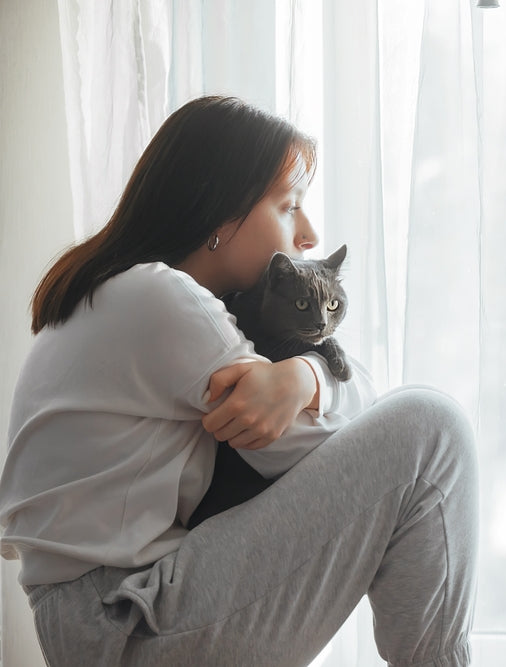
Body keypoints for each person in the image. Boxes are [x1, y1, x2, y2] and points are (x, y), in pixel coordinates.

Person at [0, 95, 478, 666]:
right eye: (289, 205)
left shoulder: (117, 291)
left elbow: (347, 425)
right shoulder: (162, 298)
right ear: (222, 213)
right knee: (432, 427)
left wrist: (304, 376)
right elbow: (315, 448)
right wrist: (313, 377)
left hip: (101, 620)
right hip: (126, 620)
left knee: (421, 424)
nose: (308, 233)